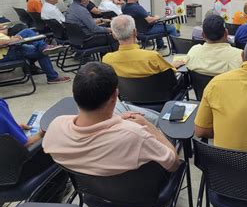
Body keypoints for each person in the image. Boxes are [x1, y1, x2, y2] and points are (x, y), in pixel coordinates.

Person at [42, 62, 180, 176]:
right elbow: (173, 164)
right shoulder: (136, 135)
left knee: (124, 109)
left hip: (92, 192)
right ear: (115, 96)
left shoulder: (56, 126)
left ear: (74, 93)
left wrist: (118, 120)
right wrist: (149, 127)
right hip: (142, 194)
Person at [103, 15, 184, 78]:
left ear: (114, 35)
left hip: (127, 97)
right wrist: (173, 65)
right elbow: (169, 72)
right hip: (157, 96)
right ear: (135, 32)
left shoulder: (107, 60)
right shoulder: (151, 56)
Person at [0, 25, 70, 84]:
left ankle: (44, 47)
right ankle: (52, 77)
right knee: (41, 52)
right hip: (6, 54)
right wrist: (11, 40)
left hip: (8, 48)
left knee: (27, 32)